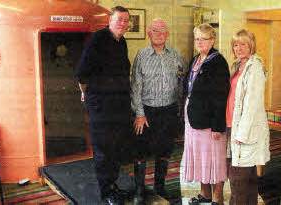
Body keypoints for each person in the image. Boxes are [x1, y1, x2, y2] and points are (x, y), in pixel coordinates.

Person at [74, 6, 131, 205]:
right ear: (109, 20)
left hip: (118, 105)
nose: (122, 23)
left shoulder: (121, 42)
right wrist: (84, 93)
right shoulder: (99, 39)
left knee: (115, 147)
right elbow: (82, 73)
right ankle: (106, 191)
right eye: (119, 19)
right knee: (103, 148)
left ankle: (113, 185)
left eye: (126, 20)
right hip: (100, 105)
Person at [130, 18, 187, 204]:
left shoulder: (177, 55)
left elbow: (185, 81)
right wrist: (139, 114)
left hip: (169, 111)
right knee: (141, 151)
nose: (160, 34)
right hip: (146, 112)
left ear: (168, 34)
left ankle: (160, 188)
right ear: (149, 34)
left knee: (165, 150)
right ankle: (139, 189)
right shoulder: (141, 56)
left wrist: (180, 111)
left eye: (163, 31)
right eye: (155, 31)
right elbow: (135, 87)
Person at [181, 23, 230, 205]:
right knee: (201, 159)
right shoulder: (195, 59)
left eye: (204, 38)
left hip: (210, 122)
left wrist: (218, 125)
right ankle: (205, 195)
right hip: (193, 119)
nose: (200, 42)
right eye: (197, 39)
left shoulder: (218, 62)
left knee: (214, 161)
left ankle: (217, 199)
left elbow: (221, 96)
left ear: (213, 40)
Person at [226, 29, 270, 205]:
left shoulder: (255, 68)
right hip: (232, 125)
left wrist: (241, 135)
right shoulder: (238, 66)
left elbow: (252, 105)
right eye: (236, 45)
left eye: (243, 44)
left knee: (238, 180)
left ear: (251, 45)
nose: (239, 48)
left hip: (245, 132)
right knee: (247, 178)